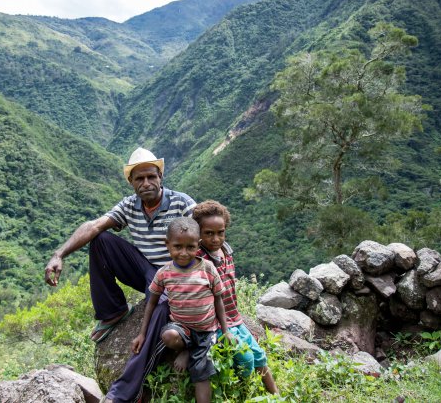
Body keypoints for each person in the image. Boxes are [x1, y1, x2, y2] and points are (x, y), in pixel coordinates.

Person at [44, 147, 196, 403]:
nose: (146, 183)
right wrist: (59, 254)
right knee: (101, 239)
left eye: (151, 177)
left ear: (161, 177)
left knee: (158, 307)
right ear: (131, 182)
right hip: (146, 270)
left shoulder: (181, 202)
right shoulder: (129, 206)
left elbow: (203, 222)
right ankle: (112, 312)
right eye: (139, 179)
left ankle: (126, 391)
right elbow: (94, 225)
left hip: (176, 274)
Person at [131, 217, 232, 403]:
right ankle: (185, 348)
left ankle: (192, 351)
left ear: (198, 245)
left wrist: (225, 331)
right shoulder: (164, 273)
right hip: (181, 328)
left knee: (201, 374)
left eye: (191, 247)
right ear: (167, 244)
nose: (184, 253)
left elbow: (219, 299)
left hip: (206, 331)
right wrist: (142, 334)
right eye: (178, 247)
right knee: (168, 336)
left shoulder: (208, 269)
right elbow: (152, 303)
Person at [192, 200, 279, 395]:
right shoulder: (198, 258)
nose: (216, 238)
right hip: (217, 323)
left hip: (235, 318)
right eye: (208, 233)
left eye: (220, 232)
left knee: (259, 356)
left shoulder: (227, 252)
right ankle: (242, 392)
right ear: (198, 233)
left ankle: (277, 395)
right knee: (246, 359)